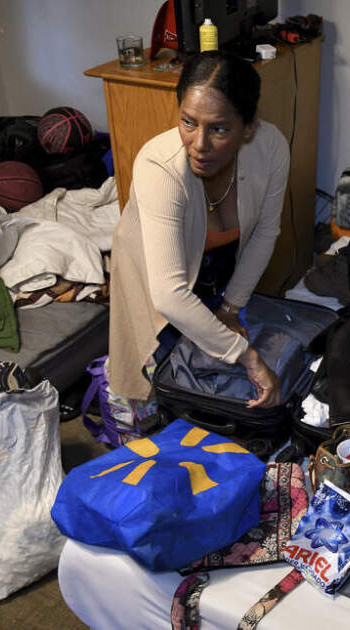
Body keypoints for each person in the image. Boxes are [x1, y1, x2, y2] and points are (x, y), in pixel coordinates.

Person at [108, 50, 289, 414]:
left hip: (217, 273)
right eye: (188, 123)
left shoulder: (270, 148)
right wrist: (247, 357)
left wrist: (230, 307)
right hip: (156, 283)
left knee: (212, 387)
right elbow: (169, 294)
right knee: (156, 387)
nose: (199, 144)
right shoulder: (160, 167)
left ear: (248, 128)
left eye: (218, 129)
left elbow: (266, 232)